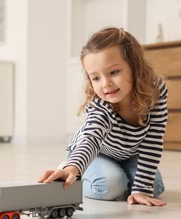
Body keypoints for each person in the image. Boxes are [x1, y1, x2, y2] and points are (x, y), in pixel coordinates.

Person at [38, 27, 168, 207]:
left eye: (114, 72)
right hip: (96, 153)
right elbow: (91, 139)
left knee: (152, 188)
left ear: (134, 65)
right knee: (109, 186)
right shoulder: (101, 105)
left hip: (128, 153)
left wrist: (141, 189)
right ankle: (73, 169)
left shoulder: (155, 91)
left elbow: (153, 139)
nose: (106, 84)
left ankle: (122, 175)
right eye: (96, 78)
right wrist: (73, 167)